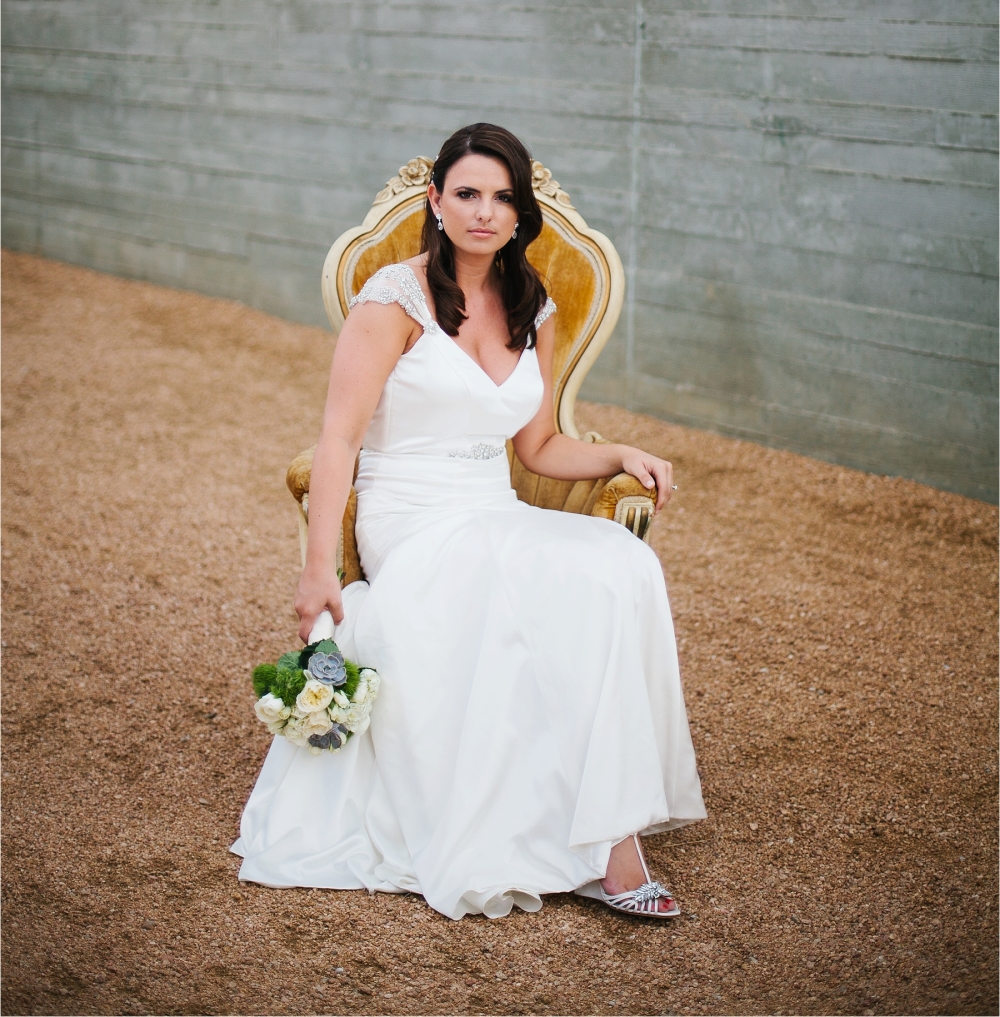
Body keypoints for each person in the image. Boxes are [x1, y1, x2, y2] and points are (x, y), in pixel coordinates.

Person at [232, 122, 705, 920]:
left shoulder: (534, 306)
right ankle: (611, 855)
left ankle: (606, 830)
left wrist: (622, 451)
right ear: (436, 202)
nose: (485, 212)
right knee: (516, 572)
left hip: (491, 506)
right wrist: (319, 567)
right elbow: (340, 439)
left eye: (502, 197)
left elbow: (540, 445)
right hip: (411, 516)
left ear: (520, 214)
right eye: (468, 194)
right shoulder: (392, 301)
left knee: (621, 566)